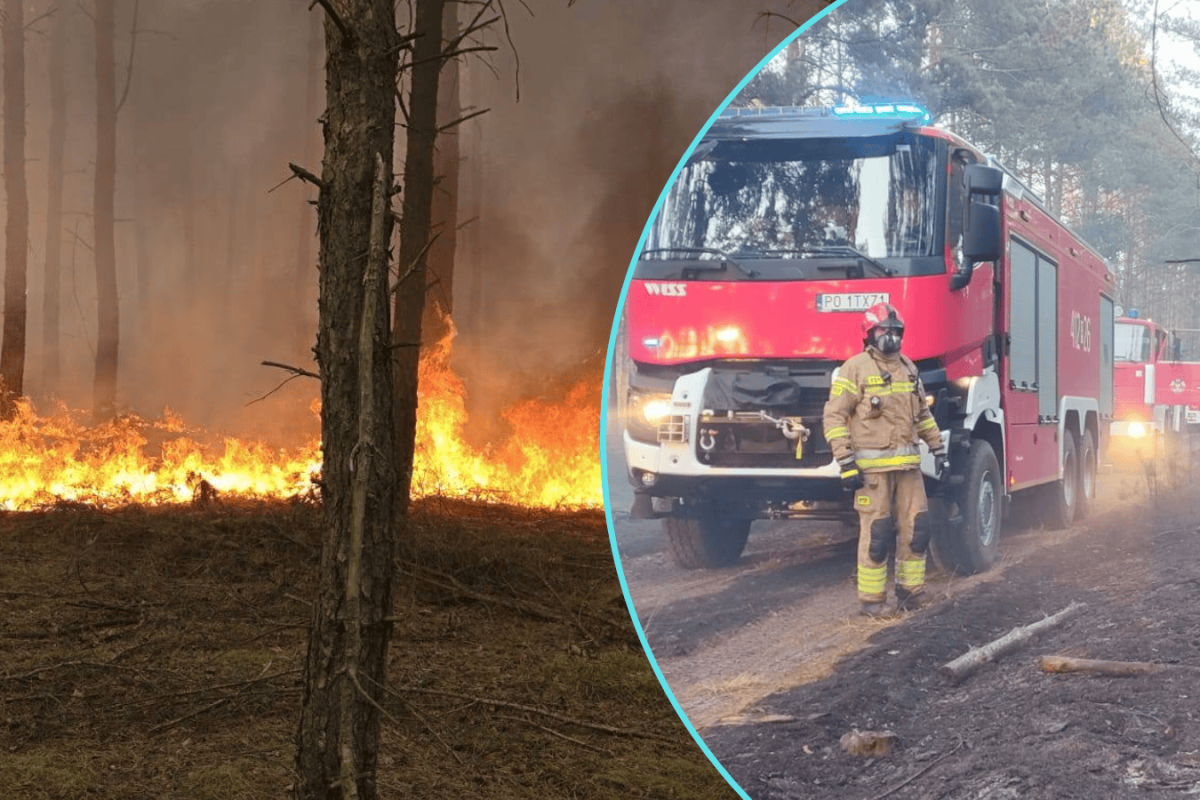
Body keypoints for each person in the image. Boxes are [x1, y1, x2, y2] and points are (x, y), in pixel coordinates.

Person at [823, 302, 948, 616]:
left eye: (895, 331)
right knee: (877, 534)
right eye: (883, 330)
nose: (890, 337)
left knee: (917, 529)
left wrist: (939, 451)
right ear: (869, 334)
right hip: (872, 475)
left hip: (908, 470)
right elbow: (834, 417)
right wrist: (846, 463)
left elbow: (922, 416)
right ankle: (872, 602)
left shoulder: (909, 368)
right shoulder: (854, 368)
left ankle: (912, 594)